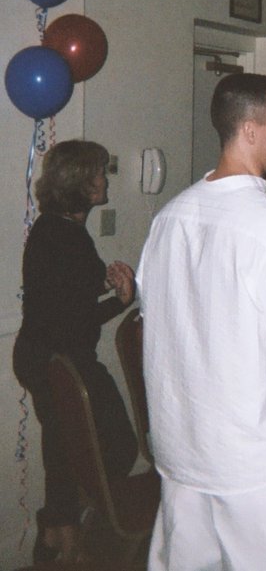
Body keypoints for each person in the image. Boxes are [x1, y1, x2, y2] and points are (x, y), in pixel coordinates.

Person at [136, 73, 266, 571]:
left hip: (182, 441)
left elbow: (157, 317)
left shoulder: (169, 217)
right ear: (250, 131)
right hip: (250, 456)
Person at [13, 140, 138, 563]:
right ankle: (68, 530)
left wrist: (104, 283)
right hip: (58, 359)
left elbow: (63, 293)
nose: (105, 179)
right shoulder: (65, 235)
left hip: (46, 354)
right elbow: (73, 320)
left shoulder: (56, 228)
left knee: (64, 449)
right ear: (82, 184)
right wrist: (120, 302)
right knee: (115, 445)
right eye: (99, 172)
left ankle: (57, 534)